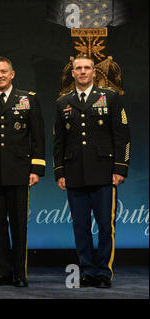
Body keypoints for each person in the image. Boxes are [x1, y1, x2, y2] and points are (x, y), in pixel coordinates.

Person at [53, 55, 130, 288]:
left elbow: (122, 136)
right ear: (73, 73)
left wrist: (120, 168)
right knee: (80, 225)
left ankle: (104, 273)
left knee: (106, 225)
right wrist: (60, 172)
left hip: (104, 172)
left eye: (87, 68)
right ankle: (86, 271)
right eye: (79, 68)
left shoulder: (111, 98)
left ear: (94, 72)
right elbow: (58, 142)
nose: (83, 72)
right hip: (75, 173)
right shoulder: (63, 102)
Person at [0, 56, 45, 287]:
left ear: (12, 74)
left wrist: (36, 169)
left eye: (4, 71)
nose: (0, 75)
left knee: (18, 225)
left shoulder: (27, 99)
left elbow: (38, 137)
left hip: (19, 172)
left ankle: (19, 274)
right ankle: (1, 273)